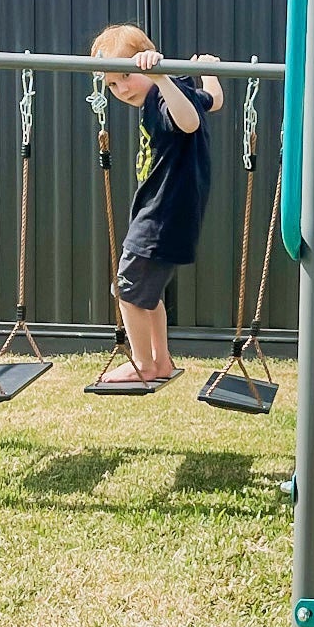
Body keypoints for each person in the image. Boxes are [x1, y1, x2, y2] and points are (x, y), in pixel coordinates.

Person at [89, 25, 224, 385]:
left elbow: (189, 122)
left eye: (126, 76)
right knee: (146, 295)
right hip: (167, 214)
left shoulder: (164, 96)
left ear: (147, 62)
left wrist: (160, 78)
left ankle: (143, 363)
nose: (122, 89)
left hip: (161, 214)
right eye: (112, 85)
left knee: (125, 290)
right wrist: (209, 73)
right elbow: (213, 100)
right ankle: (161, 361)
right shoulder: (176, 89)